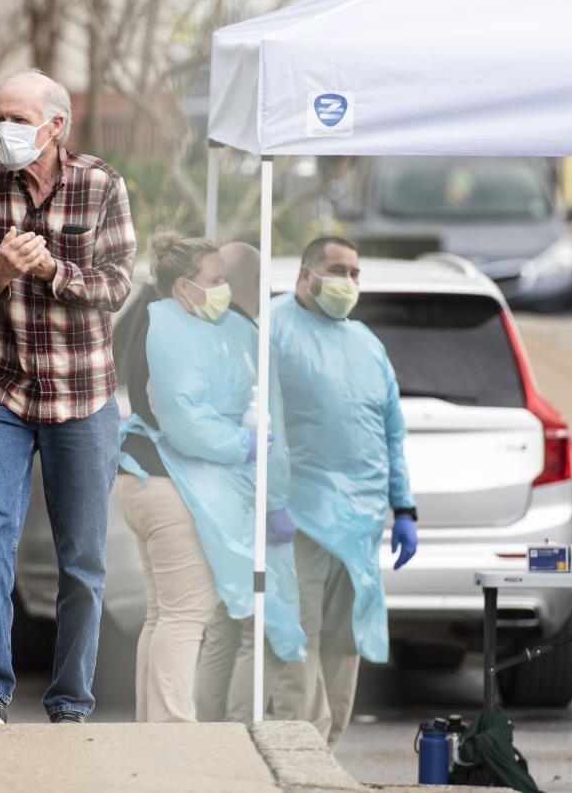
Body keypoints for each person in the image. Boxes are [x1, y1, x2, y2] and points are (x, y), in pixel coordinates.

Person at [0, 69, 136, 725]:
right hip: (1, 385)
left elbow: (116, 286)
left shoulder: (100, 185)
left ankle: (71, 701)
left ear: (55, 126)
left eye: (18, 119)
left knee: (81, 559)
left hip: (82, 394)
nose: (5, 130)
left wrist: (52, 268)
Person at [116, 233, 305, 723]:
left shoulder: (155, 319)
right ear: (183, 287)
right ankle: (174, 740)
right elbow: (182, 416)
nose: (226, 289)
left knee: (162, 614)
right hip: (171, 486)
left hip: (139, 479)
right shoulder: (176, 329)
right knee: (185, 617)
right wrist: (239, 443)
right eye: (216, 280)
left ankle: (152, 733)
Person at [269, 237, 418, 749]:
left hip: (359, 524)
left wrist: (404, 507)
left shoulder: (367, 344)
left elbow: (390, 431)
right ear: (305, 275)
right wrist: (270, 501)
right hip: (299, 516)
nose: (348, 282)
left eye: (356, 272)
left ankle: (325, 753)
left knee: (344, 640)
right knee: (297, 636)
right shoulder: (276, 328)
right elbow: (263, 419)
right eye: (337, 269)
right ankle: (296, 754)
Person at [192, 241, 300, 723]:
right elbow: (268, 427)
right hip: (253, 508)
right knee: (270, 634)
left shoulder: (196, 331)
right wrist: (277, 502)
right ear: (256, 285)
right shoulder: (250, 339)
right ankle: (241, 746)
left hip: (210, 504)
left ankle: (208, 746)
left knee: (224, 627)